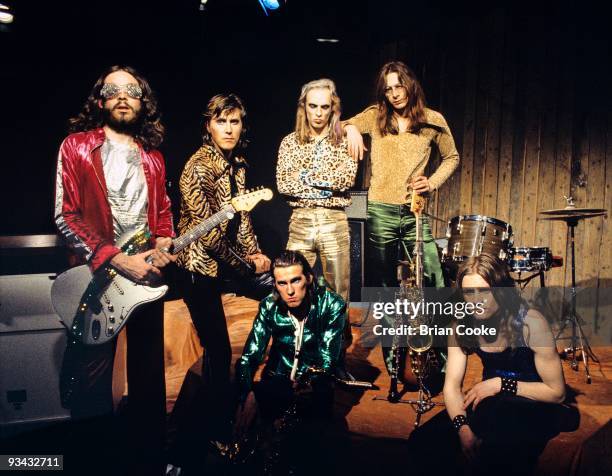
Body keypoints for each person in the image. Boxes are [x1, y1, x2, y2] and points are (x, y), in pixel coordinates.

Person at [54, 65, 175, 475]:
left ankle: (148, 463)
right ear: (101, 100)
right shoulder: (76, 147)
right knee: (92, 380)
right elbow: (66, 216)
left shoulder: (154, 159)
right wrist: (117, 258)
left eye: (132, 90)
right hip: (98, 277)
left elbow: (163, 219)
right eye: (113, 89)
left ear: (143, 102)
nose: (123, 95)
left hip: (145, 280)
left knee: (148, 380)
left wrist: (163, 247)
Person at [408, 253, 567, 475]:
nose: (476, 300)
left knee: (493, 450)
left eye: (484, 291)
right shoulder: (462, 324)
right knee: (422, 442)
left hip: (535, 402)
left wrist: (502, 384)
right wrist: (462, 429)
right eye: (468, 292)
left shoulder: (531, 323)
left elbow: (557, 393)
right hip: (491, 402)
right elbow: (452, 387)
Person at [175, 92, 271, 440]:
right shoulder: (197, 167)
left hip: (232, 263)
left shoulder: (239, 164)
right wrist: (246, 267)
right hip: (198, 268)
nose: (228, 129)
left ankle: (268, 386)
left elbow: (242, 219)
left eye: (235, 121)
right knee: (216, 348)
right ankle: (211, 428)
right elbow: (211, 238)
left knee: (280, 290)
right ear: (208, 125)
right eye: (221, 121)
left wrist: (258, 255)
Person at [343, 60, 460, 288]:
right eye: (388, 89)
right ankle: (387, 324)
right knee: (383, 279)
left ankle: (435, 323)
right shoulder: (375, 115)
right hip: (380, 210)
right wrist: (350, 128)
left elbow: (452, 157)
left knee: (433, 275)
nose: (395, 94)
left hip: (412, 211)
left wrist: (432, 182)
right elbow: (339, 126)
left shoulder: (432, 120)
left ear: (411, 85)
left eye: (399, 86)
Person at [233, 250, 346, 472]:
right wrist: (246, 393)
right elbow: (250, 355)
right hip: (277, 381)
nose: (290, 290)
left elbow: (328, 360)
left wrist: (309, 383)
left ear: (309, 279)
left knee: (309, 456)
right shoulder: (269, 305)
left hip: (313, 386)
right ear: (275, 285)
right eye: (282, 283)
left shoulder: (332, 304)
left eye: (296, 280)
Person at [276, 78, 357, 381]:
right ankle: (293, 358)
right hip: (301, 221)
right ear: (304, 107)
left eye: (325, 106)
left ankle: (337, 360)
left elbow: (346, 179)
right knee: (292, 289)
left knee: (339, 295)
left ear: (332, 108)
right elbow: (284, 184)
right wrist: (324, 180)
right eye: (313, 106)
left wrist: (306, 179)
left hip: (334, 221)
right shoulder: (289, 142)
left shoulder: (344, 140)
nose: (319, 113)